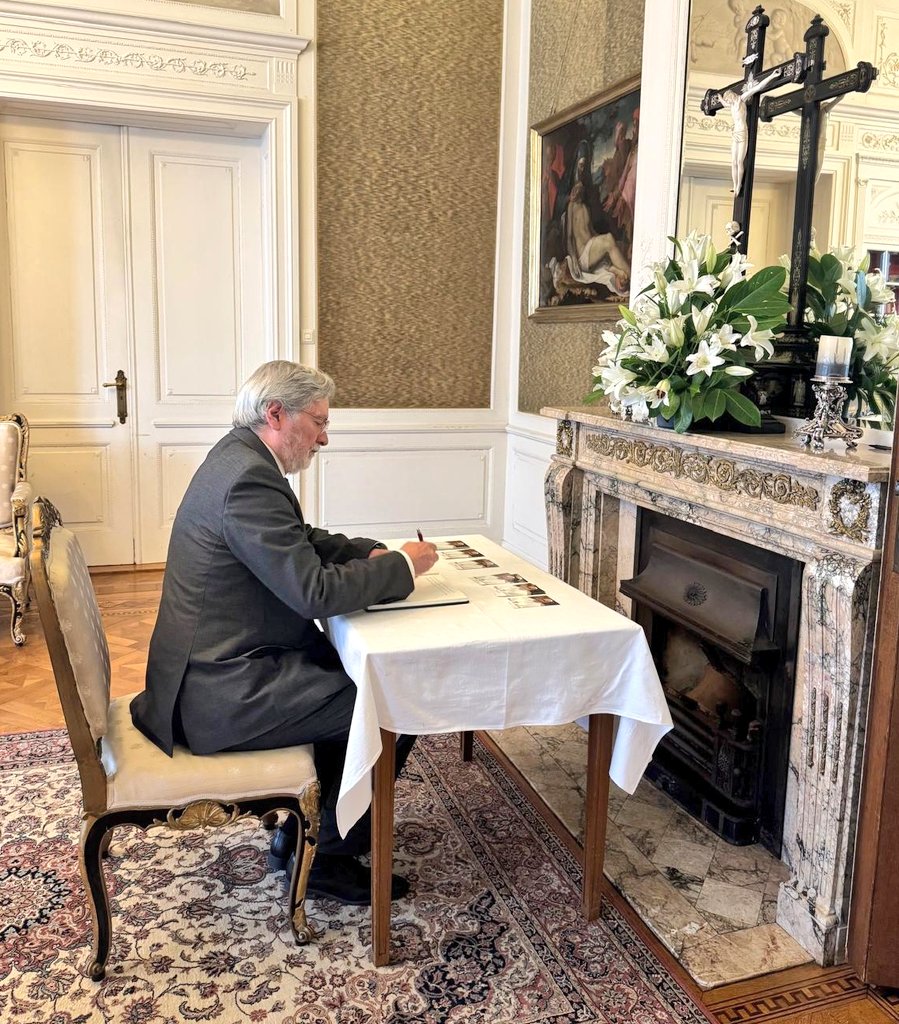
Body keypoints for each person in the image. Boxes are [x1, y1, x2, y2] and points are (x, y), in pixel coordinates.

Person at [130, 361, 438, 905]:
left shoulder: (240, 457)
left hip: (218, 668)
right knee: (391, 697)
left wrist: (366, 551)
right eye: (317, 421)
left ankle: (306, 828)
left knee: (357, 675)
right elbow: (313, 593)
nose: (324, 436)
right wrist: (404, 569)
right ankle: (324, 857)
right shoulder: (248, 477)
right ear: (276, 414)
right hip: (220, 691)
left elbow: (297, 538)